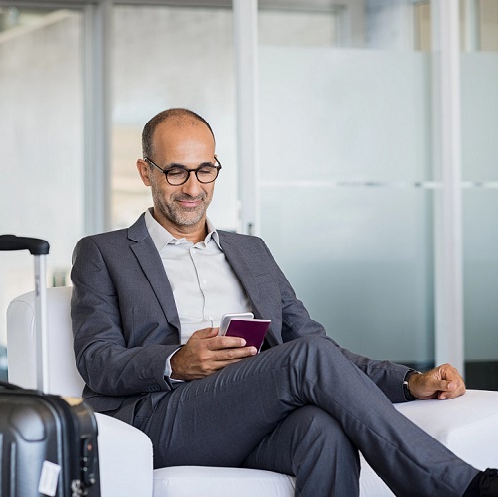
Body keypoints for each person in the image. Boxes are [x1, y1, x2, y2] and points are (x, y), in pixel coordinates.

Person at [69, 108, 497, 496]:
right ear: (146, 172)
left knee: (323, 430)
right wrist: (176, 362)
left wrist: (408, 382)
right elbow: (96, 359)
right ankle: (456, 486)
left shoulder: (251, 251)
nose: (193, 188)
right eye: (176, 172)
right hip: (165, 419)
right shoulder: (103, 252)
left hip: (253, 414)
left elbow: (318, 347)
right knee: (305, 357)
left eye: (205, 170)